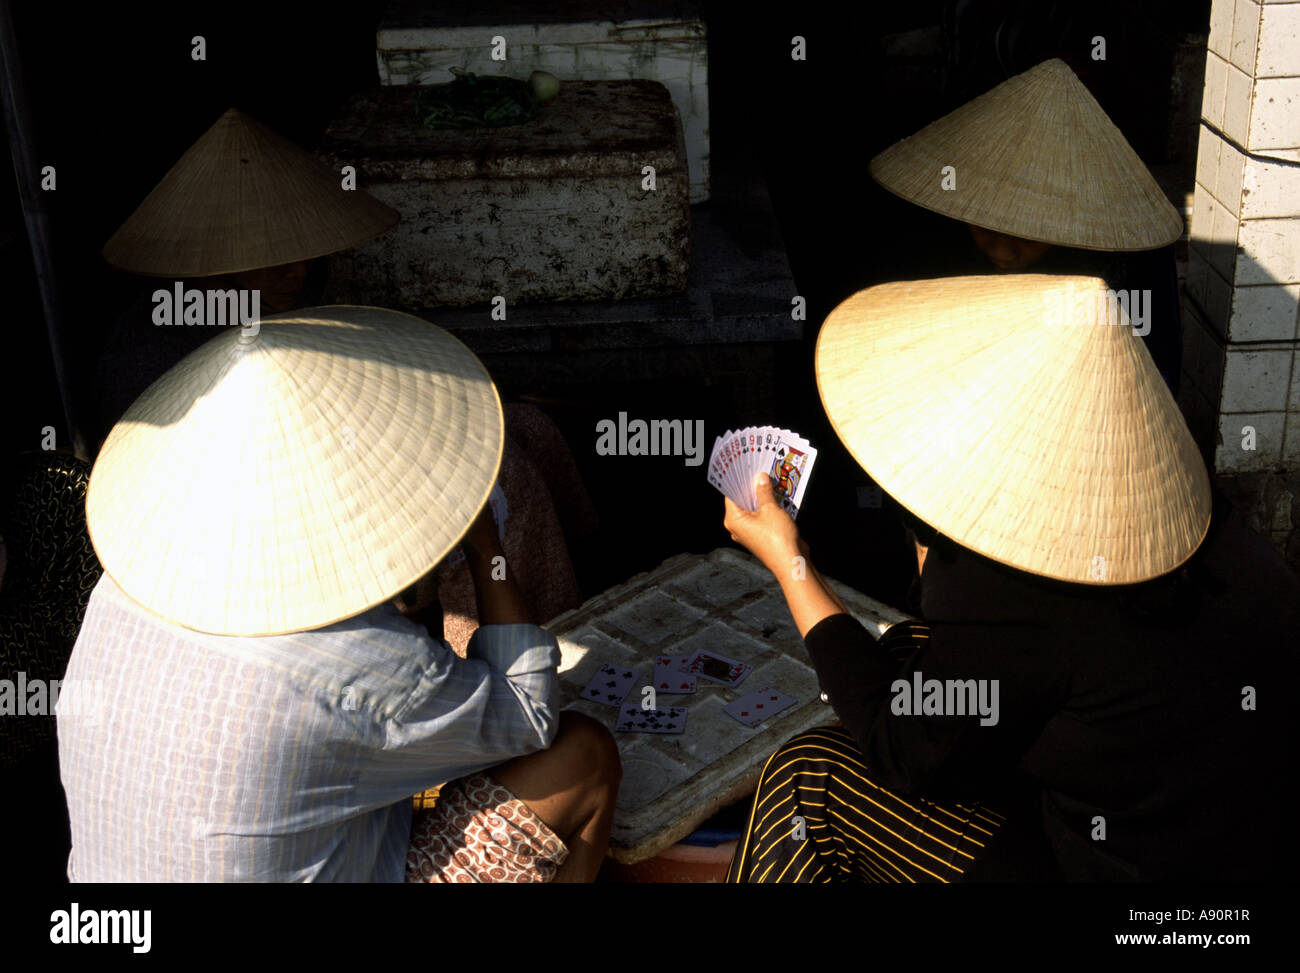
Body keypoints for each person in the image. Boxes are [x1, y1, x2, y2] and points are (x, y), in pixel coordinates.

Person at [722, 274, 1296, 882]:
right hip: (1236, 833)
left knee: (811, 774)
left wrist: (791, 561)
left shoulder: (1008, 591)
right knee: (904, 650)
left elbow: (905, 755)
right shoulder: (1192, 513)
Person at [57, 306, 620, 882]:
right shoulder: (365, 664)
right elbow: (528, 714)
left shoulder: (126, 583)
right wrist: (486, 549)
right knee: (582, 754)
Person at [869, 58, 1186, 391]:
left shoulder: (1125, 272)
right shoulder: (932, 243)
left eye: (1028, 238)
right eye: (986, 229)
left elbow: (1149, 375)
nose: (1003, 252)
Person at [94, 106, 400, 444]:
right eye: (273, 260)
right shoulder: (150, 355)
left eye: (303, 253)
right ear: (213, 268)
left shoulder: (306, 301)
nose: (298, 271)